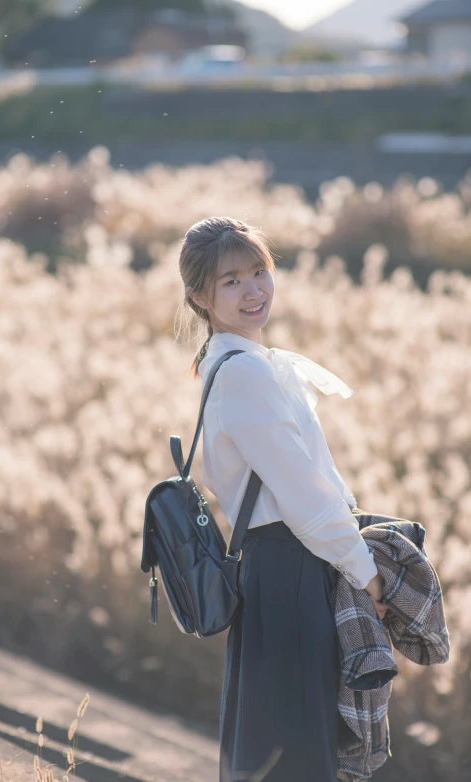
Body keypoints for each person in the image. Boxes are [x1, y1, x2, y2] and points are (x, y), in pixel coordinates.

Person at [178, 216, 388, 782]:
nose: (253, 291)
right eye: (231, 281)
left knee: (273, 747)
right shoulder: (244, 372)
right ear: (199, 296)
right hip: (290, 570)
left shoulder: (238, 364)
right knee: (294, 753)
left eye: (259, 272)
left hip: (274, 572)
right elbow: (306, 496)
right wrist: (367, 573)